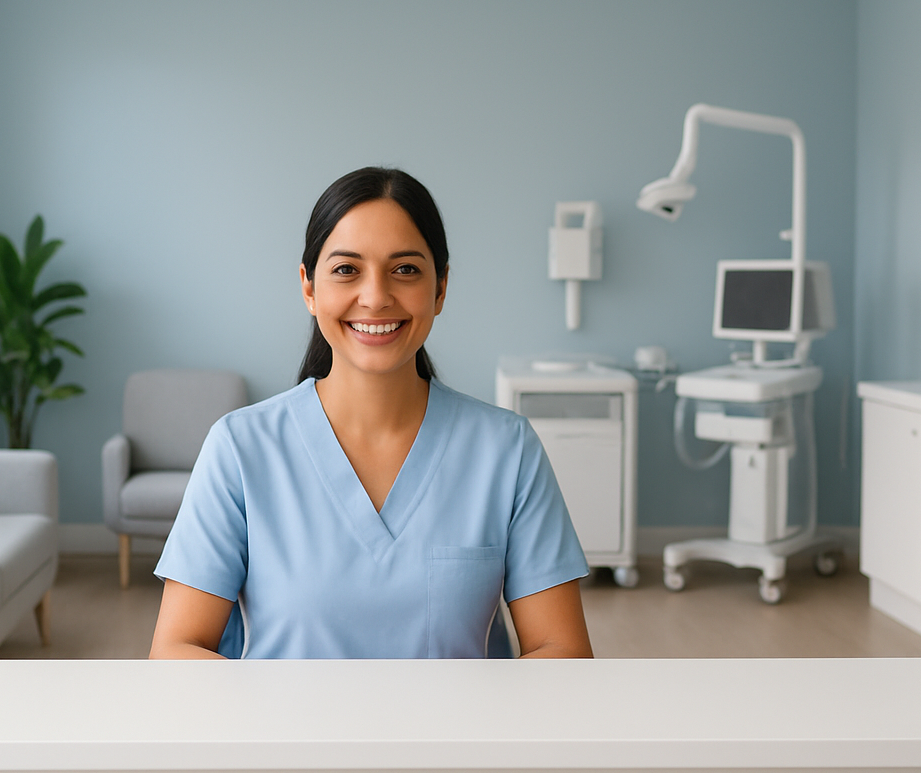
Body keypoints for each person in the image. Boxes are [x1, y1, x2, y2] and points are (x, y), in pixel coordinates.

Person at [149, 167, 593, 660]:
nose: (377, 296)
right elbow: (176, 652)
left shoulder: (506, 450)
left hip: (454, 739)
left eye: (405, 269)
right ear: (309, 287)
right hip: (289, 737)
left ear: (441, 288)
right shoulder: (241, 448)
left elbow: (562, 653)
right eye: (346, 270)